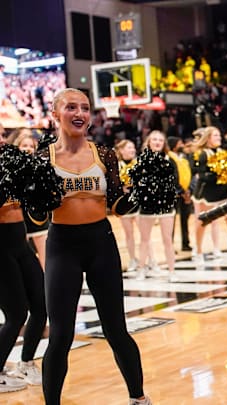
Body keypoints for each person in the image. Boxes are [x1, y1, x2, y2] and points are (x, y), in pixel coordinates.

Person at [32, 88, 150, 405]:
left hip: (101, 243)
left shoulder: (105, 154)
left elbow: (116, 204)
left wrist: (140, 194)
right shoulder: (43, 158)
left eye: (84, 107)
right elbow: (38, 215)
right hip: (62, 246)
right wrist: (35, 197)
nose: (80, 112)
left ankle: (138, 398)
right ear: (56, 114)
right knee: (60, 336)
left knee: (116, 329)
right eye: (71, 107)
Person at [0, 127, 46, 392]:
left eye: (2, 134)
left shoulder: (12, 162)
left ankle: (26, 362)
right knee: (16, 314)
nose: (2, 139)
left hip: (21, 243)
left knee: (42, 305)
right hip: (0, 248)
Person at [191, 126, 227, 264]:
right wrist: (218, 174)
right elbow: (201, 175)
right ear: (208, 138)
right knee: (202, 222)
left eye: (219, 135)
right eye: (215, 136)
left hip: (222, 193)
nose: (219, 138)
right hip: (205, 194)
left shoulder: (224, 153)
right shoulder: (202, 154)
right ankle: (199, 251)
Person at [136, 131, 180, 282]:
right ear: (148, 142)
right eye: (154, 139)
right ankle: (141, 269)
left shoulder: (169, 160)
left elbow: (175, 182)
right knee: (144, 239)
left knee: (167, 239)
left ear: (164, 143)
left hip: (165, 205)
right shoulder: (142, 160)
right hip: (147, 205)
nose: (157, 142)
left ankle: (172, 271)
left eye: (160, 140)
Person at [13, 130, 48, 269]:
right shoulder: (11, 168)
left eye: (31, 146)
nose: (28, 148)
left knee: (45, 260)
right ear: (18, 148)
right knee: (24, 261)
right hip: (19, 220)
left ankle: (47, 289)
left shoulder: (40, 167)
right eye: (24, 145)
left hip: (39, 219)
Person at [116, 140, 141, 272]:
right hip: (125, 204)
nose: (132, 150)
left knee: (144, 234)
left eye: (133, 147)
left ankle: (148, 260)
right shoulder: (117, 165)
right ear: (121, 150)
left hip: (139, 203)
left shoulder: (138, 163)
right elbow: (111, 184)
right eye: (129, 148)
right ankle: (132, 259)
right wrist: (121, 188)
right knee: (129, 234)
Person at [167, 136, 193, 252]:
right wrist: (181, 190)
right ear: (174, 145)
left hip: (186, 191)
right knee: (170, 221)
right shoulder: (169, 158)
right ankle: (170, 245)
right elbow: (172, 177)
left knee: (185, 219)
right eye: (180, 143)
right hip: (174, 193)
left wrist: (189, 190)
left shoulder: (184, 157)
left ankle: (185, 243)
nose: (182, 145)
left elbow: (190, 173)